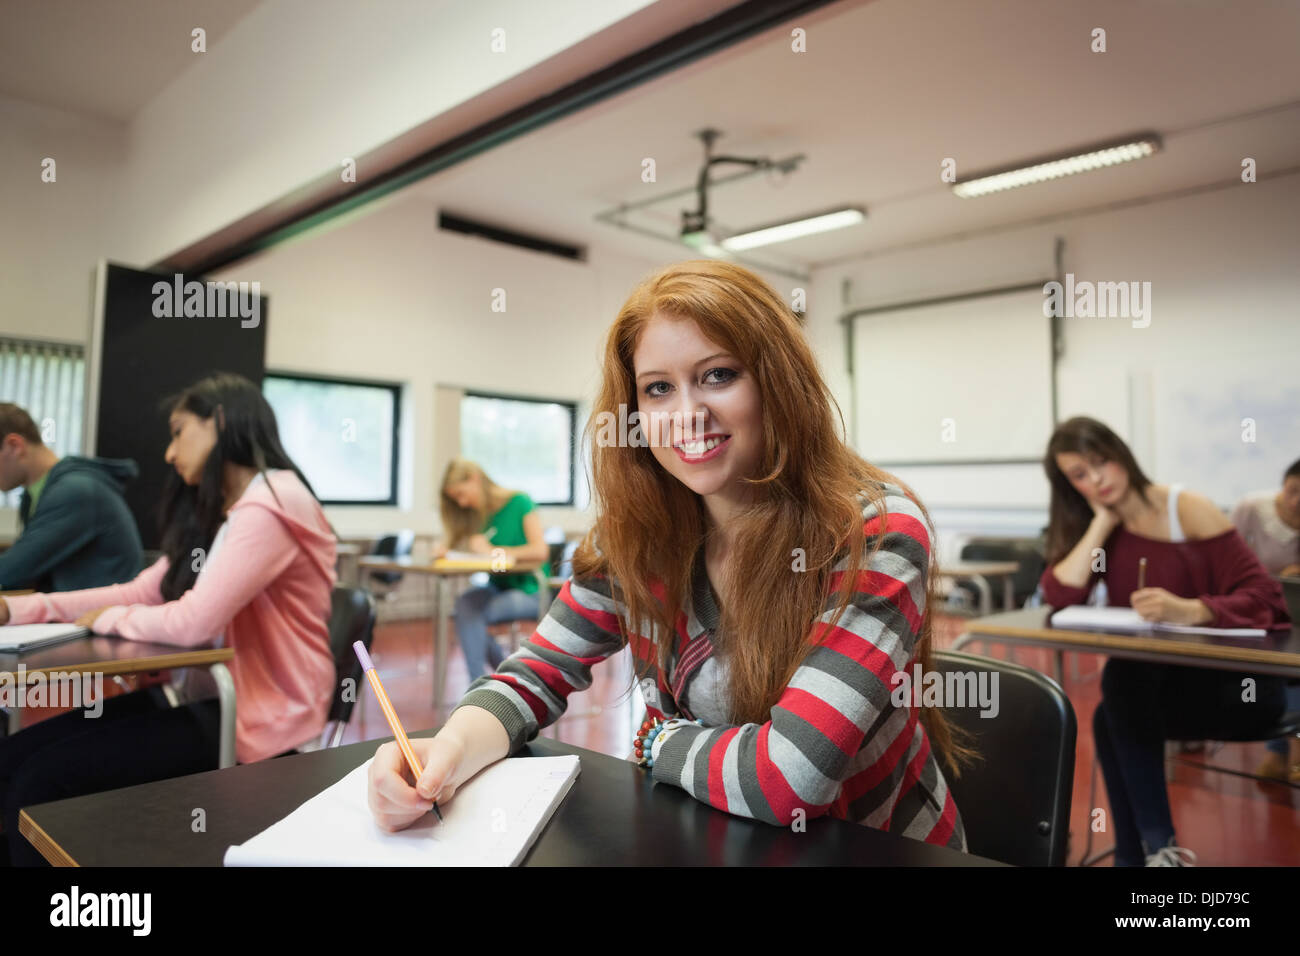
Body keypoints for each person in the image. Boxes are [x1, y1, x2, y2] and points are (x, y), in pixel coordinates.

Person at [367, 260, 971, 848]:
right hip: (713, 833)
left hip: (870, 846)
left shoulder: (876, 532)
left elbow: (789, 779)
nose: (686, 415)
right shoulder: (634, 534)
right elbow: (533, 674)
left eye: (718, 375)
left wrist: (657, 742)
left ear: (778, 382)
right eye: (658, 389)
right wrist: (444, 750)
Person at [0, 373, 337, 866]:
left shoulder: (274, 500)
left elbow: (192, 623)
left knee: (40, 781)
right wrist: (17, 608)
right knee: (13, 759)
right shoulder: (229, 512)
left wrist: (110, 618)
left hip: (259, 720)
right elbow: (142, 590)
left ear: (219, 421)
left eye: (179, 432)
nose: (168, 453)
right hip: (205, 695)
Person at [1038, 416, 1289, 867]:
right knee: (1116, 700)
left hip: (1241, 690)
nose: (1095, 479)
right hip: (1159, 695)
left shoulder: (1185, 509)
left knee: (1118, 690)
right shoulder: (1104, 530)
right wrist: (1100, 524)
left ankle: (1152, 854)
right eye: (1079, 475)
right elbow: (1059, 596)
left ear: (1122, 455)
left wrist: (1193, 610)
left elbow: (1268, 600)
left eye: (1100, 463)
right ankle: (1148, 858)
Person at [0, 402, 143, 591]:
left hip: (100, 616)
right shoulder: (34, 495)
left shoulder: (75, 492)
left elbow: (11, 571)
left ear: (14, 445)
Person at [439, 459, 551, 681]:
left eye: (462, 494)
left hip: (531, 590)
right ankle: (505, 678)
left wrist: (494, 551)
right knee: (464, 605)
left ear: (475, 479)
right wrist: (447, 549)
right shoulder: (480, 514)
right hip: (497, 587)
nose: (461, 503)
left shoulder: (520, 502)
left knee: (471, 615)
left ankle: (481, 685)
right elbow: (476, 549)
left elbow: (540, 551)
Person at [1231, 457, 1300, 782]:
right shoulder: (1252, 508)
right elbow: (1228, 560)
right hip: (1257, 611)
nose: (1297, 501)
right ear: (1283, 485)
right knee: (1279, 670)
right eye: (1293, 490)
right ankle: (1283, 750)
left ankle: (1283, 751)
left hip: (1296, 612)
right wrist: (1270, 577)